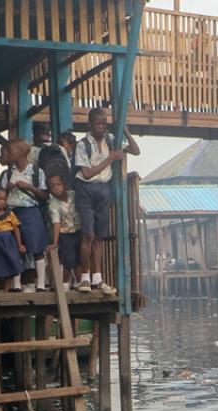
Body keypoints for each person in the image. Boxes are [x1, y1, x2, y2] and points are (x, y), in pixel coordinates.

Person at [73, 107, 139, 294]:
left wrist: (124, 130)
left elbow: (135, 150)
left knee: (99, 237)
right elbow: (86, 173)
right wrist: (110, 158)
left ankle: (98, 278)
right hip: (86, 189)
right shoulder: (83, 144)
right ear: (90, 124)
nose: (101, 127)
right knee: (88, 235)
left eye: (104, 123)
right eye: (98, 124)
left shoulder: (111, 140)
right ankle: (84, 278)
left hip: (103, 189)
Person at [0, 138, 50, 292]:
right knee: (16, 248)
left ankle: (41, 283)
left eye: (11, 150)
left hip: (31, 212)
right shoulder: (7, 173)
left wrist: (29, 187)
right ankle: (17, 284)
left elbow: (45, 195)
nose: (8, 153)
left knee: (37, 248)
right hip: (12, 213)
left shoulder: (36, 172)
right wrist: (7, 189)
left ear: (22, 153)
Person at [47, 174, 81, 292]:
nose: (56, 188)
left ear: (64, 185)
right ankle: (65, 284)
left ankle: (79, 282)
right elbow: (56, 223)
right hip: (65, 234)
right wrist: (55, 241)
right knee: (68, 260)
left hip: (78, 231)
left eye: (59, 184)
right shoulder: (53, 203)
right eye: (53, 186)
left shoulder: (73, 194)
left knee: (78, 259)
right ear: (50, 190)